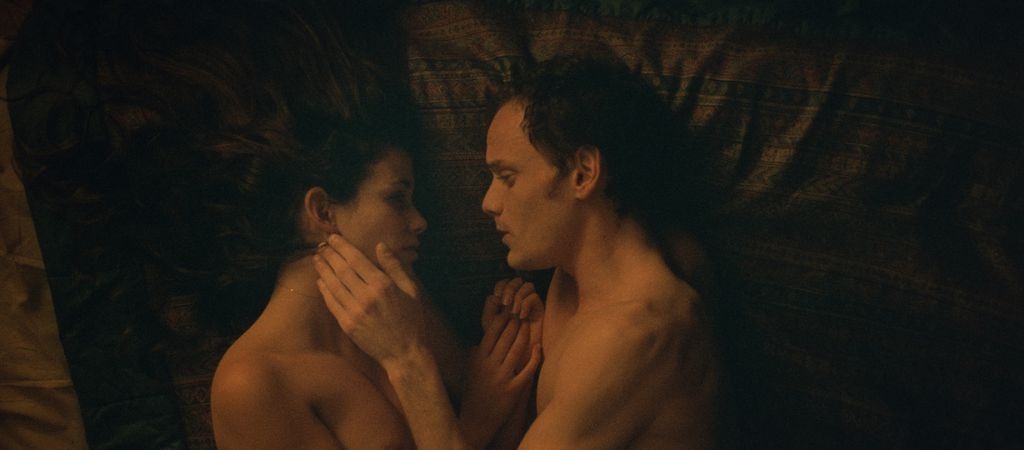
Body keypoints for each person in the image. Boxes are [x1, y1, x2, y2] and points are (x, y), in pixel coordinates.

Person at [314, 55, 723, 449]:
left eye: (507, 177)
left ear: (583, 173)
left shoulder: (635, 333)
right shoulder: (576, 275)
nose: (488, 203)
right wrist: (522, 367)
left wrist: (405, 358)